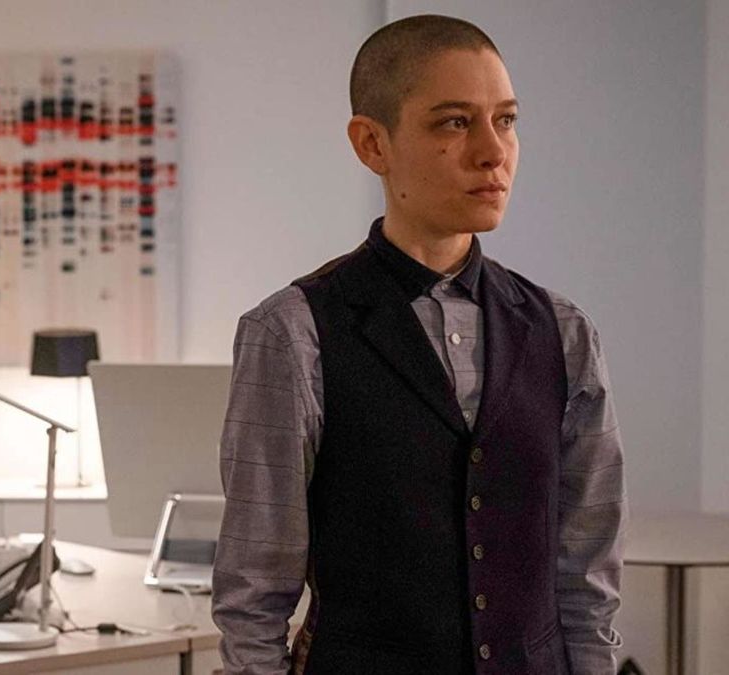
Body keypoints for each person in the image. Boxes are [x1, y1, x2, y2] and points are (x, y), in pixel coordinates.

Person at [211, 14, 626, 675]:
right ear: (372, 143)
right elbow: (253, 597)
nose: (493, 151)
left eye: (506, 120)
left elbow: (587, 577)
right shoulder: (293, 333)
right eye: (455, 122)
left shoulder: (564, 330)